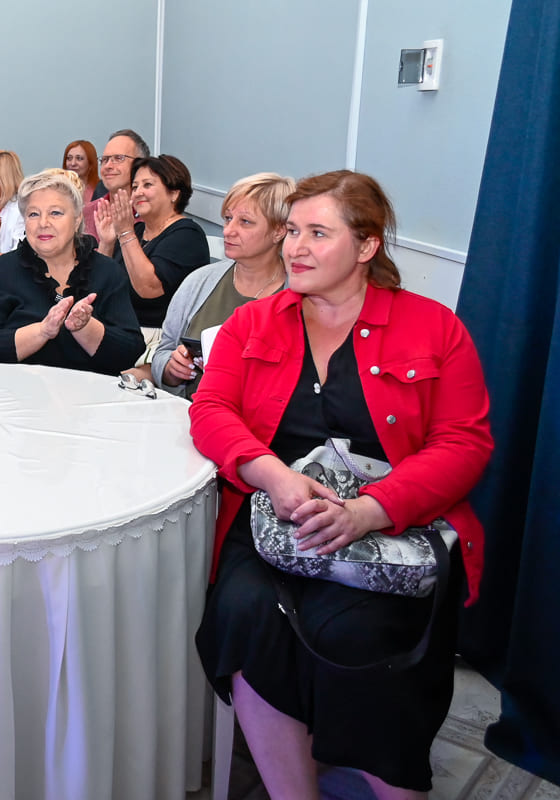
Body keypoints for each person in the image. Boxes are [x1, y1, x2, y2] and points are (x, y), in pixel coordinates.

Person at [190, 170, 493, 799]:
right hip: (276, 519)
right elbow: (210, 410)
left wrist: (371, 511)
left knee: (363, 635)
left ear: (366, 245)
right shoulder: (252, 324)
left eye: (317, 233)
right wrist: (272, 475)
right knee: (245, 612)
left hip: (394, 528)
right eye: (292, 231)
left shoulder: (434, 328)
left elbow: (465, 444)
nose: (295, 247)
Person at [0, 169, 144, 374]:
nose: (43, 223)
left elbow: (131, 351)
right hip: (18, 390)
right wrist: (42, 332)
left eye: (55, 213)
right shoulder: (3, 270)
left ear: (77, 219)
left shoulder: (106, 271)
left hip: (90, 392)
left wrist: (85, 328)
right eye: (33, 214)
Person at [143, 172, 295, 396]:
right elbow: (164, 351)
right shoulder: (199, 282)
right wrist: (171, 370)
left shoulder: (299, 298)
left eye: (245, 222)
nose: (228, 230)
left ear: (279, 231)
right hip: (189, 410)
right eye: (228, 218)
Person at [96, 154, 210, 358]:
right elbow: (99, 285)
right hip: (118, 329)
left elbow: (148, 289)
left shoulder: (187, 235)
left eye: (147, 185)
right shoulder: (137, 232)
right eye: (135, 187)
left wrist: (125, 232)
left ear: (174, 193)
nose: (138, 192)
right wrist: (106, 242)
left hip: (158, 341)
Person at [62, 140, 100, 240]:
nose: (72, 163)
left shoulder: (101, 190)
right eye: (69, 158)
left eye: (79, 158)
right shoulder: (60, 191)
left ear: (91, 163)